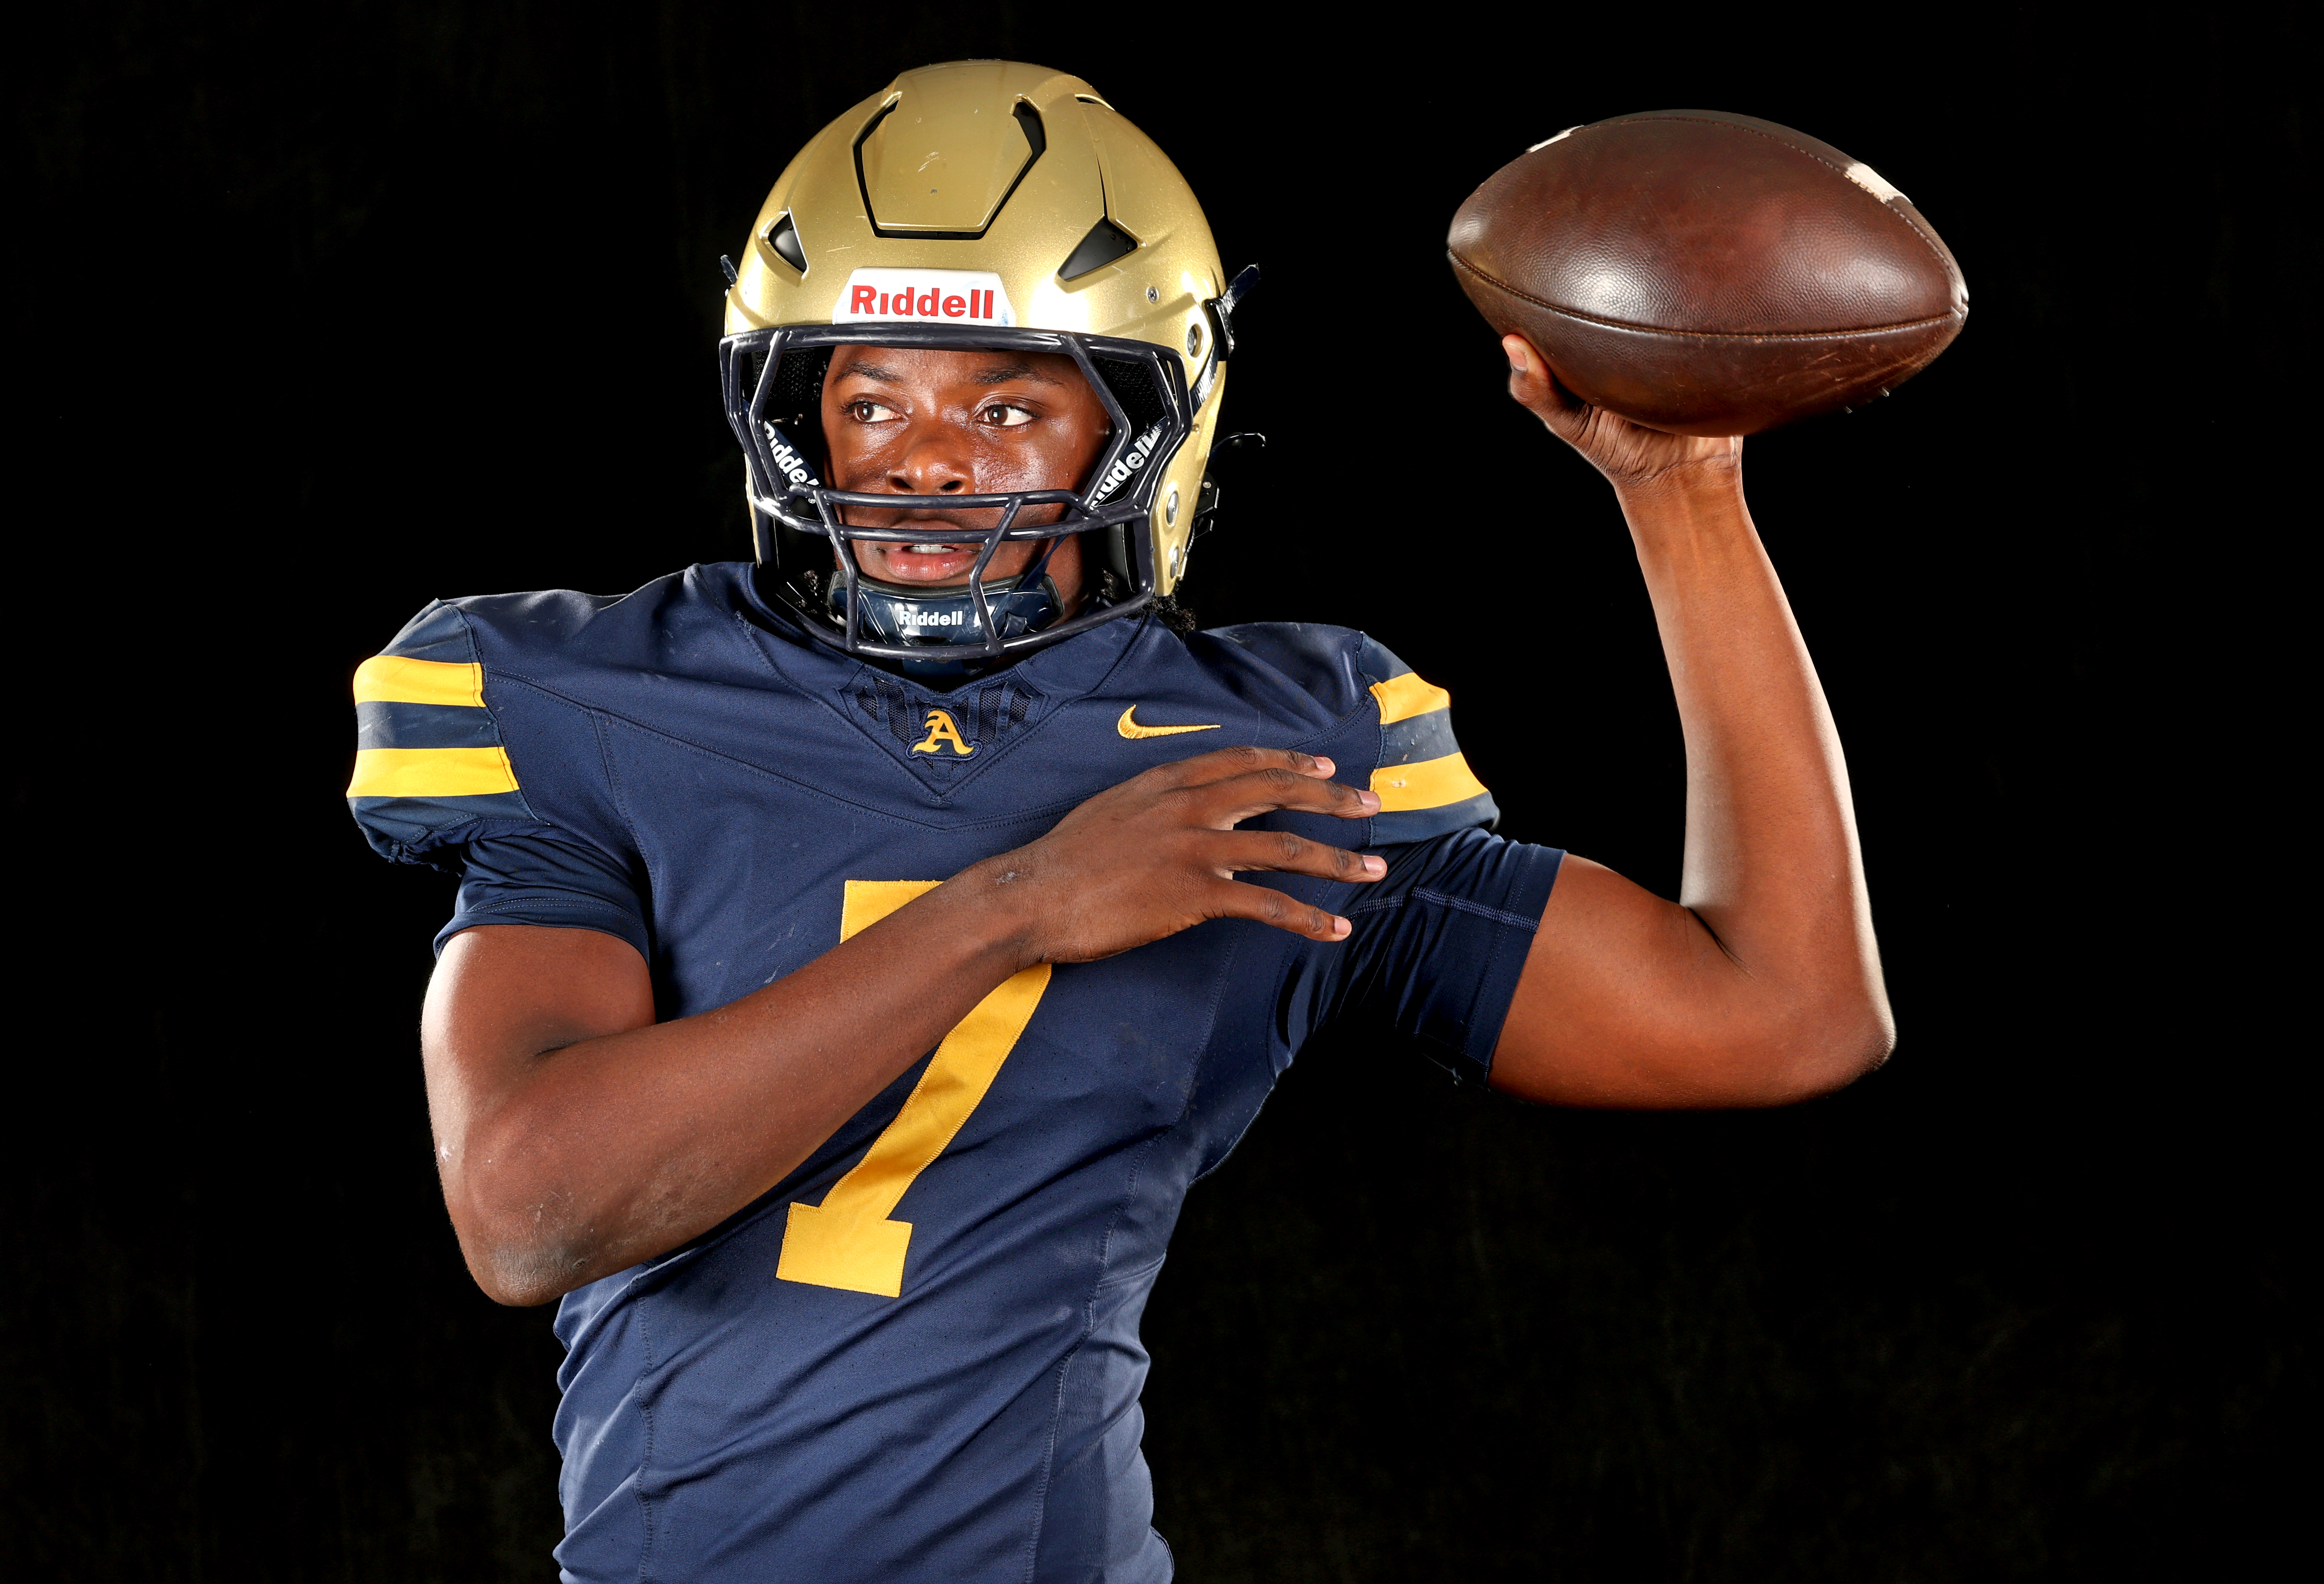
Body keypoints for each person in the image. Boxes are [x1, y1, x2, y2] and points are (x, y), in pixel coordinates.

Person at [346, 60, 1892, 1584]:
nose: (923, 458)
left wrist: (1682, 495)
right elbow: (529, 1212)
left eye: (1008, 403)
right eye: (865, 394)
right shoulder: (599, 700)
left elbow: (1780, 1013)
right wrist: (1017, 902)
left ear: (1144, 428)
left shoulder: (1270, 756)